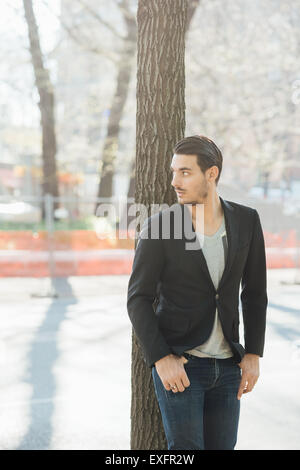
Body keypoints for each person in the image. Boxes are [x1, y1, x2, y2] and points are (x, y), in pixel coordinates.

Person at [127, 135, 268, 450]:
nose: (175, 181)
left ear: (212, 174)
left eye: (185, 172)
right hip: (183, 366)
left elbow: (255, 292)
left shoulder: (246, 220)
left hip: (230, 368)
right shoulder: (160, 226)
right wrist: (161, 359)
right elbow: (138, 298)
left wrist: (253, 353)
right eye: (174, 171)